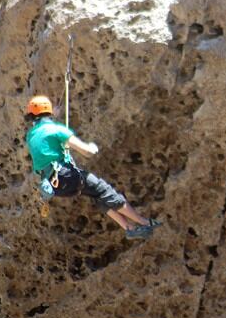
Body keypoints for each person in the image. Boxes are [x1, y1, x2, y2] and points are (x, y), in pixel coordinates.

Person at [25, 95, 160, 239]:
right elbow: (86, 151)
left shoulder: (31, 135)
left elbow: (45, 132)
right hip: (67, 176)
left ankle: (130, 228)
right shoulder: (57, 130)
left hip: (53, 185)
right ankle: (143, 222)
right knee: (104, 190)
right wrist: (92, 147)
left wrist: (53, 116)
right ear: (49, 112)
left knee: (97, 194)